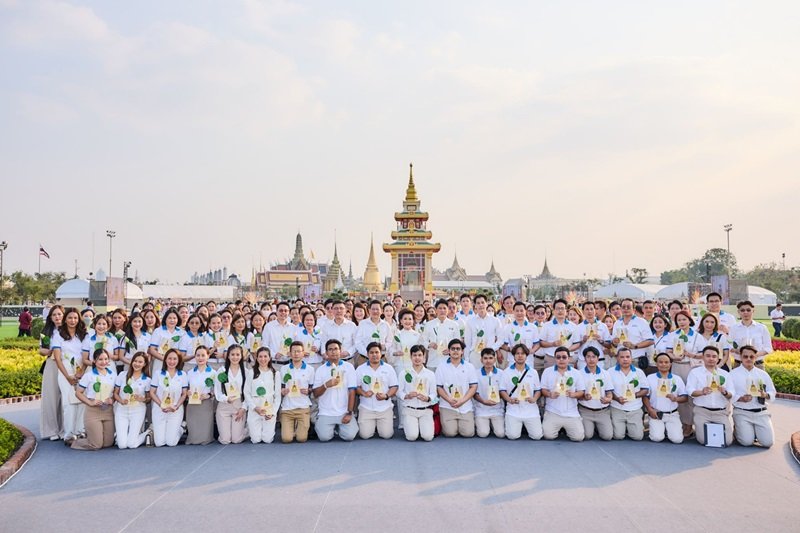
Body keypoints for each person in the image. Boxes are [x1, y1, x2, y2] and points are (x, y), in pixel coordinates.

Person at [66, 349, 116, 450]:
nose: (103, 362)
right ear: (94, 361)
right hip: (93, 412)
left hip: (108, 411)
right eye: (100, 359)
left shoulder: (113, 375)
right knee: (97, 445)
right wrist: (90, 402)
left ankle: (91, 437)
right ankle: (74, 441)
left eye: (106, 359)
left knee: (108, 443)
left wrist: (113, 400)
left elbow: (116, 392)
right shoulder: (89, 376)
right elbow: (78, 392)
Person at [52, 308, 88, 442]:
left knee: (81, 401)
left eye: (75, 318)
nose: (73, 321)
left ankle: (80, 430)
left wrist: (82, 371)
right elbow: (57, 358)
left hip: (81, 370)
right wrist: (67, 376)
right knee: (68, 402)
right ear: (65, 319)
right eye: (70, 318)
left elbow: (86, 355)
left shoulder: (83, 335)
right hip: (65, 371)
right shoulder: (58, 335)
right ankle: (69, 433)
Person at [686, 346, 735, 446]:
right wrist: (701, 392)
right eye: (708, 356)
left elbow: (731, 394)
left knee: (727, 441)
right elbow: (689, 391)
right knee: (704, 440)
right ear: (703, 357)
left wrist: (725, 393)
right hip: (702, 411)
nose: (711, 359)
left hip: (720, 412)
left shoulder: (725, 374)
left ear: (718, 359)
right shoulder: (695, 372)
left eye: (714, 356)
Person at [731, 346, 776, 447]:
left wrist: (766, 395)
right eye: (745, 356)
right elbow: (729, 394)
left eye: (751, 357)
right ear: (740, 357)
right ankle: (739, 430)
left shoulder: (763, 374)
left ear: (755, 357)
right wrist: (740, 398)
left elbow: (772, 392)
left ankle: (753, 431)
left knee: (768, 443)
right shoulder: (733, 374)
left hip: (761, 412)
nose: (748, 359)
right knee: (746, 442)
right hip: (742, 412)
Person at [313, 340, 358, 442]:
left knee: (349, 436)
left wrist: (349, 412)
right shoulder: (321, 369)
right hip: (326, 412)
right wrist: (326, 385)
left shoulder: (349, 367)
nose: (333, 352)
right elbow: (315, 394)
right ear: (326, 353)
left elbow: (352, 392)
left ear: (340, 350)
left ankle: (339, 427)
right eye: (330, 349)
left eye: (336, 349)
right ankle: (329, 427)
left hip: (343, 411)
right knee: (324, 437)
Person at [539, 346, 585, 441]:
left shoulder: (576, 373)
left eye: (564, 357)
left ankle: (566, 429)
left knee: (578, 437)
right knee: (548, 436)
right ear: (555, 358)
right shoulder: (547, 372)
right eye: (558, 357)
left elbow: (581, 391)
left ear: (569, 358)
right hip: (553, 411)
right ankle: (559, 428)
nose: (561, 359)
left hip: (571, 412)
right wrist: (549, 394)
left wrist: (574, 395)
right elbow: (543, 389)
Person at [435, 339, 478, 437]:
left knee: (468, 433)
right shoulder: (441, 367)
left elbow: (473, 387)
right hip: (447, 405)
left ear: (462, 351)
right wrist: (449, 400)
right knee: (450, 433)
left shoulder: (469, 367)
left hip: (465, 406)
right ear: (449, 351)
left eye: (458, 349)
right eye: (453, 349)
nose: (455, 351)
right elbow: (439, 387)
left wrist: (462, 401)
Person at [356, 341, 398, 440]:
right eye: (371, 352)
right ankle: (372, 425)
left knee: (386, 435)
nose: (374, 355)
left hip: (384, 408)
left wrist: (386, 396)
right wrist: (364, 393)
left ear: (381, 353)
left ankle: (378, 425)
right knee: (365, 435)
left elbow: (394, 386)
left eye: (377, 352)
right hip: (366, 408)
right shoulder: (360, 369)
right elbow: (356, 387)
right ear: (367, 354)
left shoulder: (388, 368)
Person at [643, 353, 687, 444]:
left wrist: (676, 399)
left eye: (666, 362)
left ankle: (668, 430)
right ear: (656, 364)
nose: (663, 364)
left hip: (672, 414)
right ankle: (661, 429)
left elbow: (685, 397)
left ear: (670, 364)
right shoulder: (650, 378)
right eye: (661, 362)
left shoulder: (677, 379)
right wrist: (650, 410)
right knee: (657, 438)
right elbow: (645, 396)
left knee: (677, 440)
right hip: (656, 413)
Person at [501, 344, 543, 440]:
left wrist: (534, 398)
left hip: (530, 409)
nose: (520, 356)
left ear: (526, 355)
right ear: (513, 356)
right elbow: (502, 390)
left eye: (522, 353)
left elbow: (538, 390)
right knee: (512, 436)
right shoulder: (506, 372)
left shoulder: (533, 372)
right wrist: (509, 399)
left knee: (537, 436)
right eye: (517, 353)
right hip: (513, 409)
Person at [149, 349, 189, 447]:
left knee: (171, 443)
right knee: (159, 443)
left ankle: (181, 428)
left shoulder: (182, 375)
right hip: (160, 409)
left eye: (175, 359)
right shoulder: (158, 374)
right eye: (169, 358)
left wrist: (176, 406)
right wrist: (161, 405)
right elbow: (152, 392)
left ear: (179, 360)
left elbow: (184, 394)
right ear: (165, 360)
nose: (172, 361)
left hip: (175, 410)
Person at [397, 345, 437, 442]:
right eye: (414, 355)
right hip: (410, 409)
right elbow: (398, 391)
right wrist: (406, 396)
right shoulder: (404, 373)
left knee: (428, 437)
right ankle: (412, 427)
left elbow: (434, 394)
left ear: (424, 358)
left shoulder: (430, 374)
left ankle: (421, 427)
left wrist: (427, 398)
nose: (417, 358)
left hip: (425, 410)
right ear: (410, 357)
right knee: (412, 437)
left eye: (420, 355)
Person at [609, 347, 649, 441]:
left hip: (634, 408)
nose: (625, 359)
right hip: (617, 407)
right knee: (618, 436)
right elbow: (608, 390)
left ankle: (629, 427)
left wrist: (634, 395)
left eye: (627, 356)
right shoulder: (610, 372)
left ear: (632, 358)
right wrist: (617, 398)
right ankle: (623, 428)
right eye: (622, 357)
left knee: (637, 437)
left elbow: (645, 390)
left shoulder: (639, 372)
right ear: (617, 358)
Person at [279, 341, 316, 443]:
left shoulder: (310, 369)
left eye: (298, 351)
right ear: (289, 353)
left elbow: (312, 388)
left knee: (301, 438)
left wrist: (308, 390)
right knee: (286, 439)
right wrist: (282, 391)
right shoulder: (283, 369)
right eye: (293, 351)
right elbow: (281, 387)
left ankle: (298, 428)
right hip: (288, 408)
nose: (296, 354)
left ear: (303, 353)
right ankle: (291, 429)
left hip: (303, 407)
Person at [113, 351, 150, 449]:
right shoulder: (122, 375)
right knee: (122, 445)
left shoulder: (147, 380)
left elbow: (148, 398)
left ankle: (148, 432)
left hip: (138, 410)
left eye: (140, 362)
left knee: (131, 444)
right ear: (132, 361)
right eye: (135, 361)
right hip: (122, 410)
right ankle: (121, 436)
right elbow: (115, 393)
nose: (137, 364)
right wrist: (121, 401)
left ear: (144, 364)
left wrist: (143, 399)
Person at [245, 347, 282, 444]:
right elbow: (247, 392)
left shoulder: (275, 374)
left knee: (267, 439)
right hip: (255, 408)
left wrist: (273, 412)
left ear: (270, 358)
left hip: (268, 408)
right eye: (260, 356)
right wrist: (254, 407)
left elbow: (278, 396)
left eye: (265, 356)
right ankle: (247, 428)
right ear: (256, 358)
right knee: (255, 440)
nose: (263, 359)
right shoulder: (251, 372)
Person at [577, 346, 614, 441]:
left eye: (594, 357)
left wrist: (608, 399)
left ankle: (598, 427)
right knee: (587, 435)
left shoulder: (605, 374)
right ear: (584, 359)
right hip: (585, 410)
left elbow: (609, 392)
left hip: (602, 410)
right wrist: (584, 397)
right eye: (588, 357)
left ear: (598, 358)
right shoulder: (579, 374)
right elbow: (577, 395)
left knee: (607, 436)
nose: (591, 359)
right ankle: (593, 427)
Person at [39, 304, 64, 441]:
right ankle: (52, 429)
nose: (57, 317)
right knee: (51, 398)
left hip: (66, 365)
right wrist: (49, 351)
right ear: (50, 317)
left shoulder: (68, 330)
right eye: (54, 315)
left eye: (59, 314)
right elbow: (41, 350)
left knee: (65, 397)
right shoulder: (47, 332)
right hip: (52, 364)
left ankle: (65, 428)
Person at [611, 298, 654, 372]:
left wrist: (635, 346)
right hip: (620, 361)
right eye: (623, 307)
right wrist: (614, 342)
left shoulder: (641, 322)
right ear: (621, 309)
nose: (626, 309)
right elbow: (614, 344)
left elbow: (650, 341)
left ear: (634, 310)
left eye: (628, 307)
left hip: (636, 360)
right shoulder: (617, 323)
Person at [185, 346, 216, 445]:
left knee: (205, 438)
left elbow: (217, 390)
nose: (200, 358)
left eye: (203, 355)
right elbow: (185, 390)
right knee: (193, 438)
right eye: (198, 355)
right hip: (192, 404)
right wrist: (187, 393)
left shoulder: (213, 373)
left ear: (208, 356)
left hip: (206, 403)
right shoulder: (189, 373)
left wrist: (209, 395)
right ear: (195, 357)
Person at [473, 348, 505, 438]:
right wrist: (484, 401)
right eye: (485, 358)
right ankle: (484, 424)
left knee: (500, 434)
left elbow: (504, 391)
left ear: (495, 359)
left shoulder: (501, 373)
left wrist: (497, 398)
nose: (488, 361)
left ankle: (493, 424)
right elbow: (475, 393)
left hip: (497, 409)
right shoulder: (476, 373)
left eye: (491, 358)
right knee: (483, 433)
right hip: (481, 409)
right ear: (481, 360)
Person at [539, 299, 580, 371]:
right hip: (551, 358)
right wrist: (553, 344)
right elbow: (541, 342)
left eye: (562, 308)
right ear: (554, 311)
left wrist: (567, 350)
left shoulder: (573, 326)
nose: (560, 311)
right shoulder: (547, 325)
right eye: (558, 308)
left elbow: (577, 343)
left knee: (568, 380)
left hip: (568, 358)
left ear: (566, 311)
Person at [729, 301, 772, 367]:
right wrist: (737, 351)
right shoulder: (734, 328)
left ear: (753, 311)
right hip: (739, 365)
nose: (745, 312)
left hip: (758, 364)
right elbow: (729, 345)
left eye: (748, 310)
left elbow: (768, 348)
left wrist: (755, 354)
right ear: (739, 312)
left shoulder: (762, 328)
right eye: (742, 310)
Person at [464, 294, 503, 368]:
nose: (480, 305)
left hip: (490, 355)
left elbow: (501, 339)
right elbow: (467, 342)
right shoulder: (470, 322)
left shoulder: (495, 320)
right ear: (475, 305)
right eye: (478, 303)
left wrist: (492, 349)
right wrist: (467, 358)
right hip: (475, 355)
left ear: (486, 304)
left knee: (490, 378)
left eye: (482, 302)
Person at [500, 301, 540, 370]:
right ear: (513, 312)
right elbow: (503, 344)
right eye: (517, 311)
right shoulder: (507, 328)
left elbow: (537, 343)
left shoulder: (533, 327)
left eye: (521, 311)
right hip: (513, 362)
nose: (519, 313)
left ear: (525, 311)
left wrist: (533, 350)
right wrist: (509, 349)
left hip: (528, 362)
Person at [422, 299, 460, 371]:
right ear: (436, 310)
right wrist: (429, 345)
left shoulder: (454, 325)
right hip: (433, 361)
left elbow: (457, 343)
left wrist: (450, 350)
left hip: (449, 361)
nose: (442, 310)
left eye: (444, 308)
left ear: (447, 310)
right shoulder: (429, 325)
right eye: (440, 308)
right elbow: (423, 341)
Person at [148, 308, 185, 377]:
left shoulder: (182, 332)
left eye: (174, 318)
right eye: (169, 318)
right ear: (165, 319)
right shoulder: (158, 331)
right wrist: (165, 359)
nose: (172, 320)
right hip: (160, 362)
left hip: (175, 364)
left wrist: (174, 360)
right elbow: (152, 349)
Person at [573, 301, 610, 371]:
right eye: (587, 309)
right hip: (583, 362)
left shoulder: (603, 326)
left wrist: (601, 341)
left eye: (591, 309)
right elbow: (575, 345)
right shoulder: (578, 327)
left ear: (595, 310)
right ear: (583, 311)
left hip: (599, 361)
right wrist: (582, 341)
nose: (589, 311)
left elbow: (609, 345)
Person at [355, 300, 392, 367]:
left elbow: (390, 341)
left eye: (377, 309)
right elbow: (358, 342)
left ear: (381, 311)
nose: (375, 311)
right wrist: (368, 354)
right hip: (364, 359)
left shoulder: (386, 325)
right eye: (373, 309)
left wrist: (385, 347)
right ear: (369, 310)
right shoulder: (363, 324)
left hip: (381, 359)